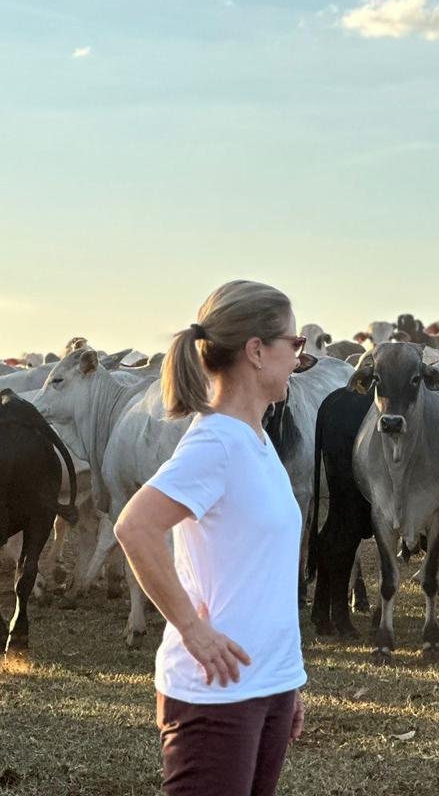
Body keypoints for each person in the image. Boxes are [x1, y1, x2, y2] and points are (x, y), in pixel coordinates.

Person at [115, 279, 310, 796]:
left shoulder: (257, 440)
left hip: (265, 683)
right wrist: (192, 631)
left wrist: (286, 681)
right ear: (256, 351)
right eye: (295, 343)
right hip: (216, 695)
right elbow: (135, 526)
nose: (298, 357)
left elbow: (259, 571)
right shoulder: (216, 442)